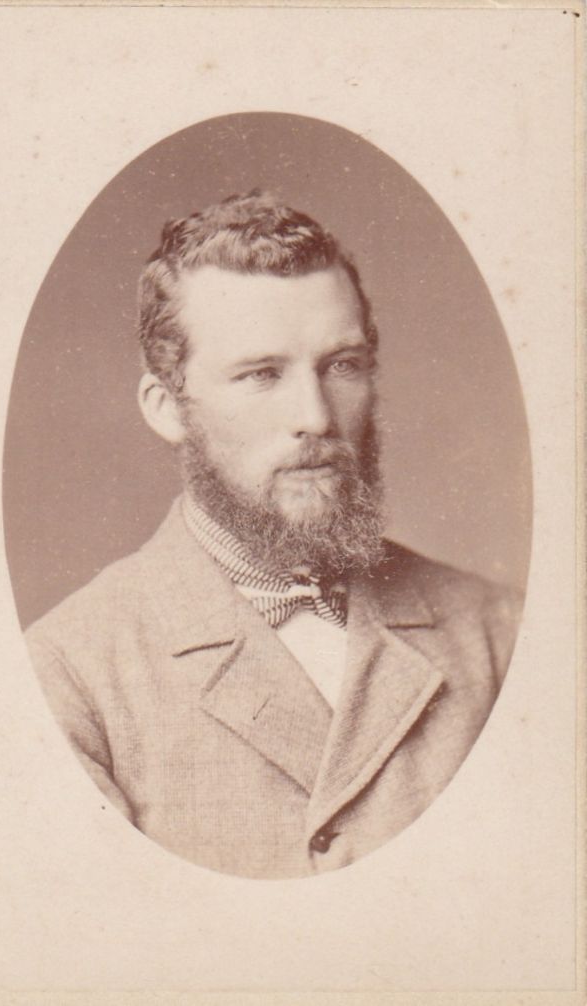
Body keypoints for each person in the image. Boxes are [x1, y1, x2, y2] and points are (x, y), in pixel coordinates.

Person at [26, 191, 522, 879]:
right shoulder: (65, 676)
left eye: (342, 365)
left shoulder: (500, 635)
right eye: (261, 375)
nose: (316, 417)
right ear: (167, 408)